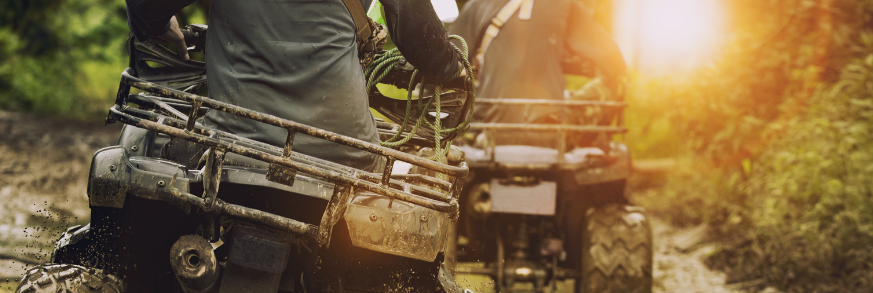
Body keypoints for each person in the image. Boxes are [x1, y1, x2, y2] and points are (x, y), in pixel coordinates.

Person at [125, 0, 464, 170]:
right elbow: (422, 41)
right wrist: (454, 68)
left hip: (234, 146)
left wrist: (158, 24)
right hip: (346, 154)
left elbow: (145, 5)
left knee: (139, 149)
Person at [448, 0, 626, 147]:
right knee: (616, 82)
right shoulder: (565, 4)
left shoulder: (477, 4)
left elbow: (447, 64)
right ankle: (596, 143)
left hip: (484, 128)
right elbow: (613, 59)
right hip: (547, 129)